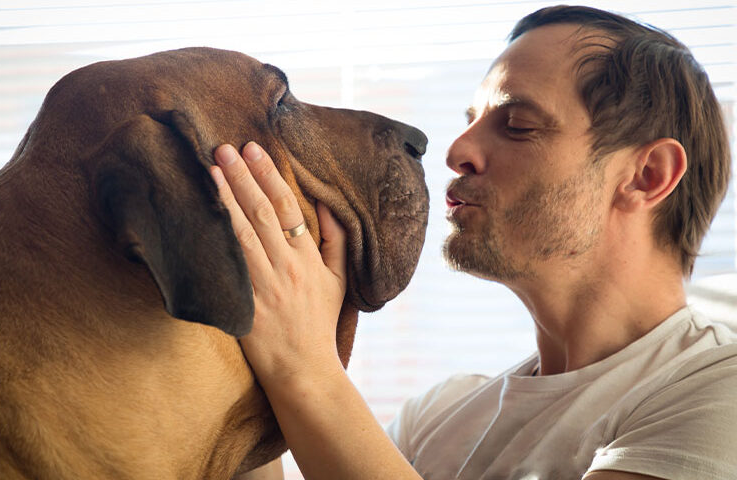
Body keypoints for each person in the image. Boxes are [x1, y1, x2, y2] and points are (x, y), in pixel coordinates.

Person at [215, 5, 735, 480]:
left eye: (518, 125)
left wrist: (304, 366)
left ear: (648, 175)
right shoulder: (438, 416)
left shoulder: (716, 395)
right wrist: (255, 327)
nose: (458, 150)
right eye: (472, 122)